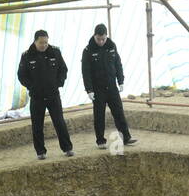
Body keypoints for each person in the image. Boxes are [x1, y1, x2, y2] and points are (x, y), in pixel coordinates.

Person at [17, 29, 73, 160]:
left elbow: (63, 69)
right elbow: (21, 75)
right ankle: (40, 152)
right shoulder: (26, 56)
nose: (44, 45)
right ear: (35, 41)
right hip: (37, 97)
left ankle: (67, 148)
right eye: (41, 43)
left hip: (53, 94)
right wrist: (32, 86)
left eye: (46, 42)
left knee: (59, 122)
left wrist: (59, 83)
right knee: (37, 125)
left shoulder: (55, 52)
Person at [81, 24, 136, 150]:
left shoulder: (112, 46)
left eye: (103, 39)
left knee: (119, 112)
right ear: (94, 36)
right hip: (97, 89)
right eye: (98, 39)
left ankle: (126, 137)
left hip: (112, 87)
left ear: (106, 36)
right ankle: (100, 140)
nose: (101, 41)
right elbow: (85, 72)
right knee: (99, 115)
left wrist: (121, 80)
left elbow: (118, 64)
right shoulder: (88, 50)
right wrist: (89, 89)